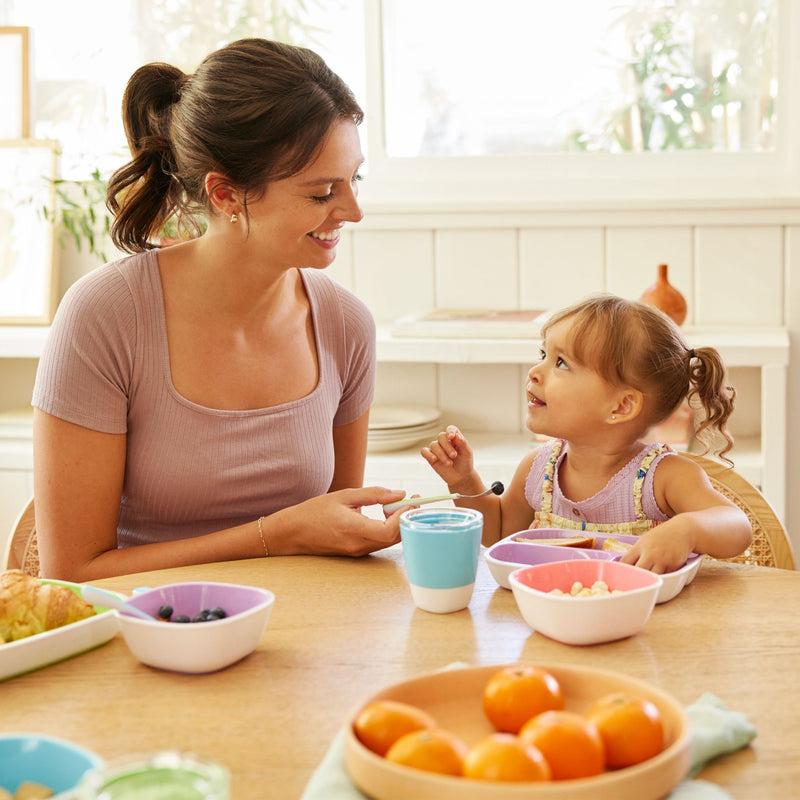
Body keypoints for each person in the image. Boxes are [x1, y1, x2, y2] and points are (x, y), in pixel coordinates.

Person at [31, 38, 408, 581]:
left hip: (300, 635)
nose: (353, 211)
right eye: (323, 192)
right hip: (144, 636)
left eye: (355, 180)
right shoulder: (107, 316)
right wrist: (274, 536)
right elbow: (73, 571)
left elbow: (334, 529)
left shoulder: (345, 325)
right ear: (227, 195)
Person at [421, 294, 753, 573]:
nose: (535, 372)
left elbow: (737, 526)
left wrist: (687, 530)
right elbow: (501, 533)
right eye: (543, 355)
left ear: (622, 406)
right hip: (557, 622)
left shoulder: (663, 477)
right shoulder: (539, 469)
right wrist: (464, 482)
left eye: (561, 363)